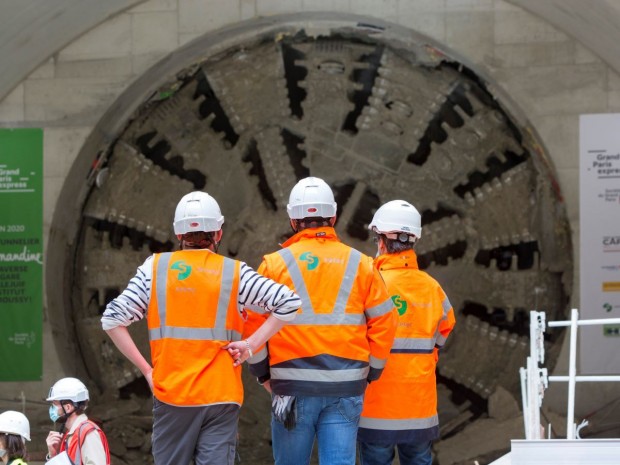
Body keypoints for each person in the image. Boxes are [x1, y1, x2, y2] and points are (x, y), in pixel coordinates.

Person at [101, 191, 300, 465]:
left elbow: (111, 320)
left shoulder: (154, 269)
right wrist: (251, 345)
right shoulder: (235, 273)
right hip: (221, 395)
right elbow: (289, 303)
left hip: (173, 395)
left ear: (178, 233)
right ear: (218, 234)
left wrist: (148, 371)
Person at [245, 176, 397, 465]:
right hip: (346, 385)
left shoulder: (273, 265)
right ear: (334, 216)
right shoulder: (362, 265)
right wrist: (372, 373)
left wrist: (263, 373)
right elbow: (385, 323)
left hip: (291, 386)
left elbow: (253, 323)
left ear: (293, 220)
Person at [357, 200, 456, 465]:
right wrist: (427, 354)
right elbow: (446, 327)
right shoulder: (431, 287)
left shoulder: (370, 285)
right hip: (418, 404)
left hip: (376, 407)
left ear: (381, 241)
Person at [45, 377, 110, 465]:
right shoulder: (71, 434)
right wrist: (53, 455)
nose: (52, 408)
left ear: (68, 407)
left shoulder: (88, 433)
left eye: (54, 404)